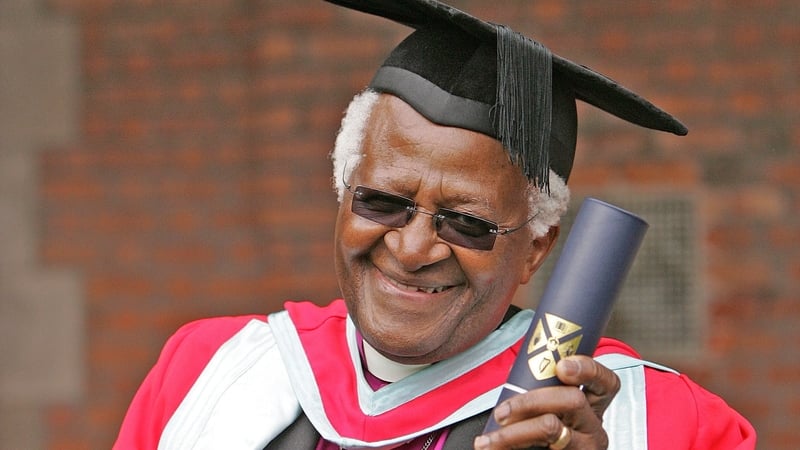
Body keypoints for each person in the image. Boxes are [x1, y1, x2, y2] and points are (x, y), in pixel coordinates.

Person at [114, 1, 756, 449]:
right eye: (381, 201)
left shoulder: (664, 424)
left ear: (536, 247)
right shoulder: (210, 372)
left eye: (467, 224)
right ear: (342, 193)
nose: (413, 247)